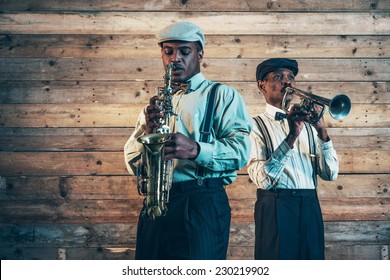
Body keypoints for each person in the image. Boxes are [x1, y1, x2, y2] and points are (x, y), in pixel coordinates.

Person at [124, 22, 252, 260]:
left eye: (185, 51)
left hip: (201, 202)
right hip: (156, 201)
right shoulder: (155, 104)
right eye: (168, 51)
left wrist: (196, 150)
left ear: (200, 53)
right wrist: (147, 132)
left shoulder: (222, 95)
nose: (175, 59)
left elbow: (242, 151)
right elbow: (132, 161)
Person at [247, 58, 339, 260]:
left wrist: (322, 131)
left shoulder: (308, 125)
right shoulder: (254, 125)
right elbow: (263, 180)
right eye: (278, 77)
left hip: (309, 204)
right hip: (275, 205)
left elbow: (330, 174)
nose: (286, 82)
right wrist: (292, 136)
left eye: (290, 77)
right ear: (262, 85)